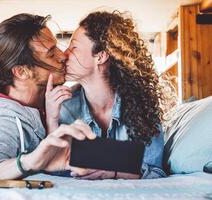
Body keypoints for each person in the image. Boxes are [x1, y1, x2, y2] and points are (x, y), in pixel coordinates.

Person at [0, 13, 96, 180]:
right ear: (22, 71)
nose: (63, 56)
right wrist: (30, 161)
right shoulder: (4, 123)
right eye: (52, 54)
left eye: (57, 47)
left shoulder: (57, 97)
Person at [46, 11, 174, 179]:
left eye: (74, 47)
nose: (64, 55)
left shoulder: (143, 107)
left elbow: (155, 172)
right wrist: (51, 120)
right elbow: (53, 171)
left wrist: (113, 173)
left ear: (101, 56)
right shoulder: (63, 107)